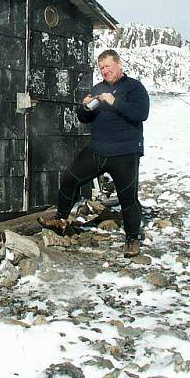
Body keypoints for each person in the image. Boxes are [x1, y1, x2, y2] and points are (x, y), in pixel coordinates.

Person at [40, 49, 150, 256]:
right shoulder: (98, 88)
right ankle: (60, 219)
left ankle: (132, 239)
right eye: (101, 68)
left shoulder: (134, 87)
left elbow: (141, 113)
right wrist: (85, 108)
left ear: (119, 64)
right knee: (70, 178)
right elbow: (84, 118)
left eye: (108, 66)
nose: (105, 71)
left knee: (128, 197)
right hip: (98, 149)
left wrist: (114, 102)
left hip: (125, 152)